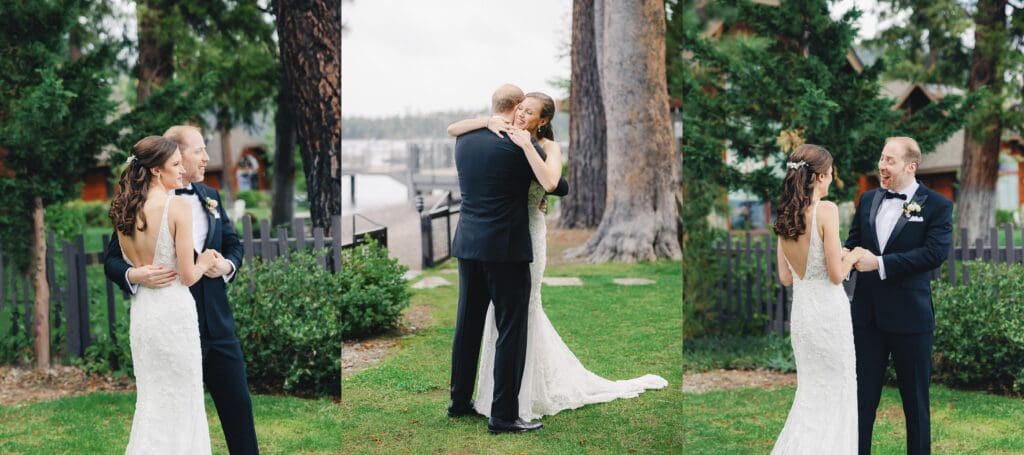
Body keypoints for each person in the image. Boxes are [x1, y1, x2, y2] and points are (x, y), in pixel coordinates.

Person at [447, 87, 667, 429]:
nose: (522, 114)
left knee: (468, 325)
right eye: (521, 108)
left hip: (469, 243)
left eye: (529, 111)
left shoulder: (466, 139)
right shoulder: (520, 146)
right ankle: (503, 415)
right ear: (514, 107)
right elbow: (556, 184)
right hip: (506, 248)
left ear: (540, 118)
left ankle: (459, 401)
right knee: (511, 328)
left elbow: (550, 184)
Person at [104, 125, 260, 454]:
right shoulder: (163, 206)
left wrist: (226, 266)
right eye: (198, 151)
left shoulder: (209, 197)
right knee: (177, 406)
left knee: (235, 408)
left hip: (213, 325)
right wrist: (136, 274)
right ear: (172, 157)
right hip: (175, 318)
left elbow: (233, 244)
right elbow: (112, 262)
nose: (205, 157)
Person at [108, 136, 219, 453]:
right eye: (175, 165)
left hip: (144, 313)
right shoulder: (177, 207)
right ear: (156, 171)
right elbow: (187, 275)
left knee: (152, 401)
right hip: (173, 314)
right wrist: (206, 260)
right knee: (183, 401)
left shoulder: (123, 210)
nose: (181, 170)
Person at [845, 137, 952, 455]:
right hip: (866, 319)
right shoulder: (866, 200)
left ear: (911, 166)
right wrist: (844, 256)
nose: (882, 165)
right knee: (861, 403)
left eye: (890, 160)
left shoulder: (938, 205)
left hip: (911, 320)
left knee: (916, 407)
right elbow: (853, 243)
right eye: (881, 158)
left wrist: (879, 263)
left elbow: (933, 254)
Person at [771, 144, 866, 454]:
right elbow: (837, 275)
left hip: (802, 317)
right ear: (822, 175)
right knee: (838, 392)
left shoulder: (785, 213)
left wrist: (833, 259)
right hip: (828, 314)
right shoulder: (826, 210)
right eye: (831, 172)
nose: (832, 177)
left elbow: (786, 277)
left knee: (810, 394)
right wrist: (852, 257)